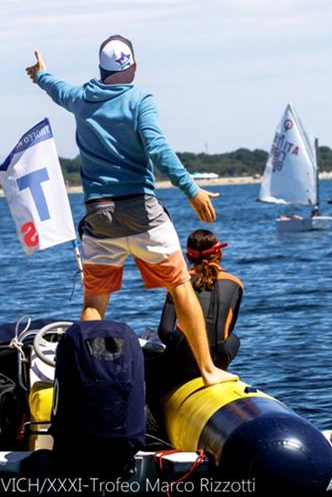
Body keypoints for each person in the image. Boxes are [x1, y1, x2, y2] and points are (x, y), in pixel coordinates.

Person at [26, 36, 235, 387]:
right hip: (142, 213)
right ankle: (208, 371)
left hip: (98, 217)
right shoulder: (140, 100)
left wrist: (41, 74)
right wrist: (192, 190)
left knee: (94, 302)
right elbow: (159, 149)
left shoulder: (81, 98)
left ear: (102, 69)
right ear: (133, 66)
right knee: (180, 285)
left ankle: (80, 379)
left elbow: (57, 88)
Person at [157, 230, 244, 390]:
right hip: (219, 360)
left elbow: (165, 332)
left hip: (184, 364)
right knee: (234, 339)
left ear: (188, 256)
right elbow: (227, 331)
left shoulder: (177, 284)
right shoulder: (236, 284)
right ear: (218, 253)